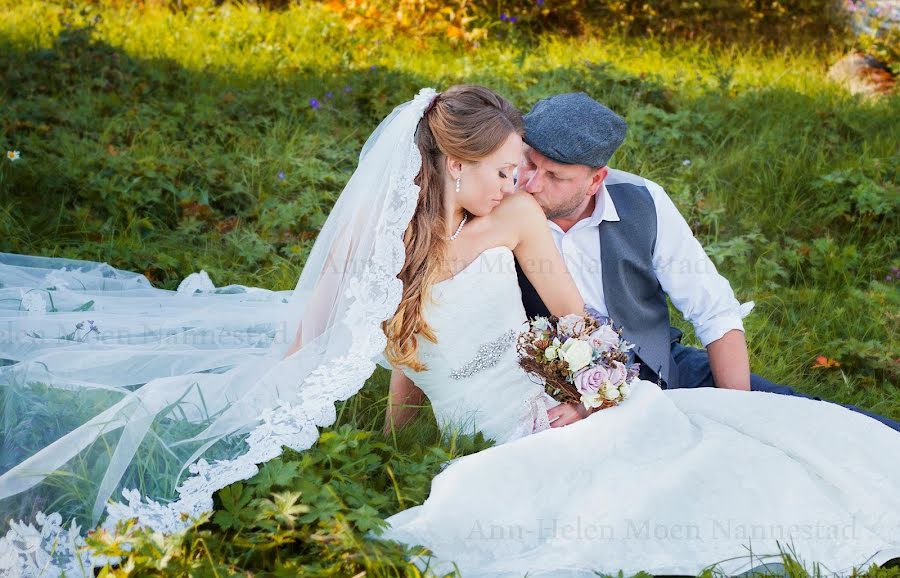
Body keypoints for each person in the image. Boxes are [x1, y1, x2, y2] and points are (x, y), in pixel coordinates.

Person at [1, 86, 898, 578]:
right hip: (487, 418)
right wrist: (347, 418)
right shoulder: (387, 246)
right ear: (458, 166)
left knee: (705, 454)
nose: (519, 183)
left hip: (573, 396)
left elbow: (585, 324)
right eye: (510, 168)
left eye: (534, 171)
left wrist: (583, 399)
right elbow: (400, 350)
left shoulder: (533, 223)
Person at [510, 92, 900, 434]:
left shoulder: (642, 201)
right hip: (560, 387)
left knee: (814, 420)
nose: (531, 183)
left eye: (555, 176)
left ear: (596, 181)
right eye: (529, 163)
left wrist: (738, 414)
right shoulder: (499, 204)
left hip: (661, 365)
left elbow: (713, 310)